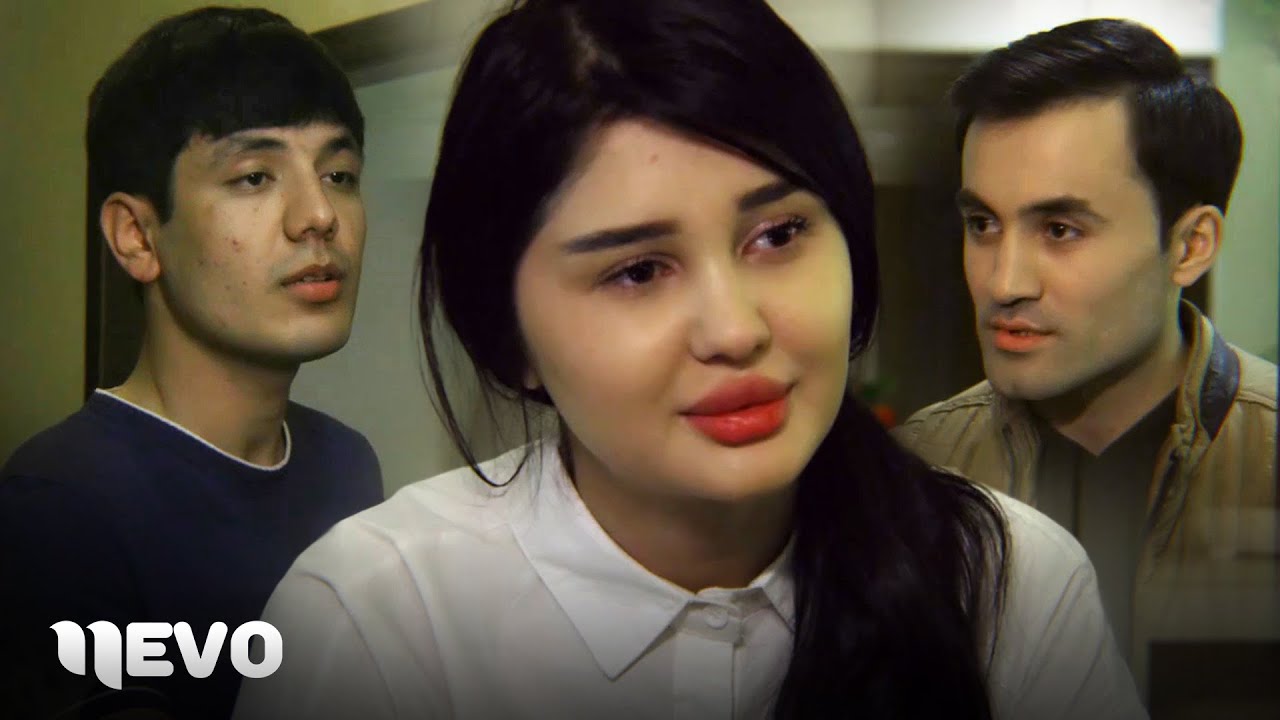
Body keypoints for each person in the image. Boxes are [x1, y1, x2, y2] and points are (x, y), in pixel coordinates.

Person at [234, 2, 1144, 718]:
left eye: (779, 234)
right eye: (637, 270)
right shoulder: (376, 620)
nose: (734, 330)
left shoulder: (1006, 584)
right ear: (510, 338)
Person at [0, 7, 383, 719]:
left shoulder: (347, 465)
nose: (318, 215)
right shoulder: (59, 504)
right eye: (255, 177)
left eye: (339, 173)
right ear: (138, 237)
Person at [895, 17, 1278, 697]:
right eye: (983, 224)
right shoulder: (914, 474)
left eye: (1060, 229)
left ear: (1190, 246)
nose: (1005, 281)